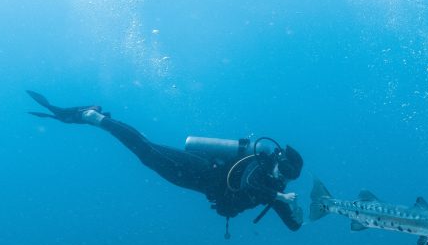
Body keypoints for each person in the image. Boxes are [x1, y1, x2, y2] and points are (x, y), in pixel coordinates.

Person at [27, 90, 304, 237]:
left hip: (196, 182)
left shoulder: (275, 186)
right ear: (278, 159)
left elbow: (292, 225)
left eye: (292, 176)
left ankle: (103, 119)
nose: (286, 178)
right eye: (286, 170)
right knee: (147, 153)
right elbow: (248, 184)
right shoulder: (260, 165)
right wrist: (279, 195)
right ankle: (95, 118)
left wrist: (297, 213)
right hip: (201, 172)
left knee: (148, 150)